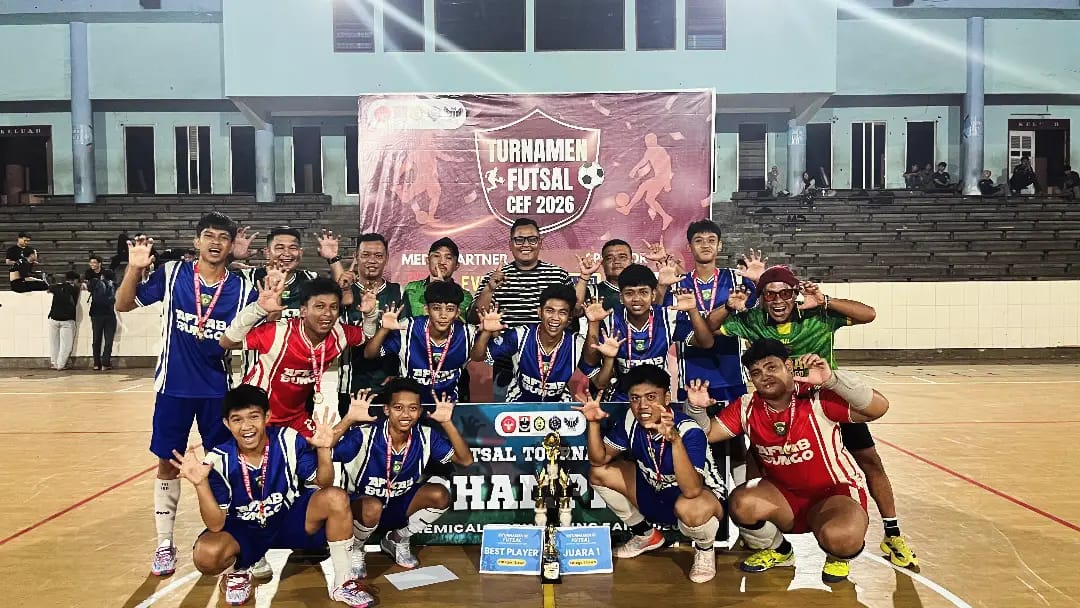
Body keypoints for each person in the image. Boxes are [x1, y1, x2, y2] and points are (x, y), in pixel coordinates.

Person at [705, 264, 918, 572]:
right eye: (770, 295)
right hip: (778, 408)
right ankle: (766, 538)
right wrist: (728, 307)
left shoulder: (818, 315)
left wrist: (825, 301)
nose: (778, 301)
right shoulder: (753, 320)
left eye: (785, 293)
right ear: (761, 298)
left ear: (795, 294)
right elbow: (708, 330)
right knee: (760, 460)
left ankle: (892, 532)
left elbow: (869, 314)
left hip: (825, 404)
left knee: (870, 462)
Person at [114, 212, 256, 577]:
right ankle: (164, 543)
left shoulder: (242, 288)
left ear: (231, 245)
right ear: (196, 241)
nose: (215, 242)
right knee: (167, 463)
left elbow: (264, 321)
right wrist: (134, 268)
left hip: (216, 391)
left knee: (223, 463)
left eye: (223, 237)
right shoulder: (173, 273)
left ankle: (227, 537)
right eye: (208, 235)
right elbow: (123, 304)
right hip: (173, 388)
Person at [690, 339, 890, 583]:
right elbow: (708, 433)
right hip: (784, 496)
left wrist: (832, 380)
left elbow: (879, 407)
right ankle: (780, 550)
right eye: (756, 373)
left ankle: (838, 557)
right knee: (741, 502)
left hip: (833, 494)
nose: (764, 376)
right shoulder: (747, 407)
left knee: (842, 537)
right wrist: (696, 410)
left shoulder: (816, 397)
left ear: (788, 366)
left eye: (771, 367)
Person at [171, 384, 373, 607]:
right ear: (227, 423)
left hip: (288, 519)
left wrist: (324, 450)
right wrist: (200, 485)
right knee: (206, 555)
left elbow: (323, 483)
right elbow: (216, 524)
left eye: (253, 416)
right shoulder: (217, 460)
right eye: (237, 419)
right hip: (245, 529)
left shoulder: (288, 439)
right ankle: (238, 571)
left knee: (335, 497)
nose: (246, 426)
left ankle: (343, 583)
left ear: (267, 416)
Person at [574, 364, 726, 583]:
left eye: (651, 397)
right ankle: (646, 535)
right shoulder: (630, 420)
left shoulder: (688, 430)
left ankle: (704, 549)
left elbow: (693, 490)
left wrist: (675, 441)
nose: (642, 406)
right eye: (635, 398)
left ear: (667, 398)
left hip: (699, 499)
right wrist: (594, 424)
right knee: (600, 473)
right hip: (656, 492)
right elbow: (599, 460)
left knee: (690, 506)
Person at [330, 378, 473, 578]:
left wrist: (447, 423)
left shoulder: (426, 435)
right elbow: (325, 449)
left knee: (440, 495)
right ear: (387, 410)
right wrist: (349, 419)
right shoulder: (364, 435)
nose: (406, 414)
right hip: (362, 508)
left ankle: (397, 538)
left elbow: (465, 460)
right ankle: (356, 548)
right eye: (398, 408)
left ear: (420, 411)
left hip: (398, 504)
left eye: (413, 408)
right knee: (372, 507)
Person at [220, 276, 375, 437]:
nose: (327, 313)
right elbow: (226, 342)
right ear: (303, 311)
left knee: (321, 446)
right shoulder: (278, 332)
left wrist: (370, 315)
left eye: (334, 307)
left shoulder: (340, 333)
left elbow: (366, 336)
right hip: (258, 413)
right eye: (320, 306)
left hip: (296, 417)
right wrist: (257, 309)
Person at [470, 218, 572, 401]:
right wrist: (490, 289)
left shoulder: (558, 275)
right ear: (510, 244)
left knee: (553, 416)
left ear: (540, 243)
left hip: (552, 362)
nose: (526, 245)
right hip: (505, 362)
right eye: (519, 240)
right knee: (508, 416)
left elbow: (573, 314)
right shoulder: (494, 278)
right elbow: (476, 317)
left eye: (532, 239)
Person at [582, 263, 716, 402]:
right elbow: (591, 363)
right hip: (621, 399)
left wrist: (693, 310)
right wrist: (594, 323)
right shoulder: (610, 320)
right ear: (621, 297)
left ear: (653, 295)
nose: (636, 299)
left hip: (657, 398)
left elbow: (707, 343)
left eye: (643, 292)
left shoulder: (667, 317)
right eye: (629, 293)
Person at [664, 220, 759, 405]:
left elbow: (759, 319)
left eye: (711, 240)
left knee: (736, 424)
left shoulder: (738, 280)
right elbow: (673, 327)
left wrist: (758, 282)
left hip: (732, 378)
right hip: (692, 381)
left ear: (719, 245)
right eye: (699, 240)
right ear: (689, 247)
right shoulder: (677, 285)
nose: (705, 245)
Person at [470, 284, 594, 402]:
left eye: (562, 313)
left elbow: (598, 379)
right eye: (549, 311)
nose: (555, 318)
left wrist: (594, 323)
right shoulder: (520, 335)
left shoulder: (576, 343)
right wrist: (486, 332)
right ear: (539, 312)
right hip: (518, 405)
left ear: (569, 318)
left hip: (558, 407)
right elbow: (477, 356)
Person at [365, 281, 475, 403]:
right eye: (436, 308)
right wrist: (384, 330)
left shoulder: (467, 332)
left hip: (447, 407)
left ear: (457, 312)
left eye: (450, 309)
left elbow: (480, 356)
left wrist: (485, 333)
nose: (443, 315)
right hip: (410, 407)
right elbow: (369, 354)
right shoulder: (407, 328)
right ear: (426, 309)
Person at [336, 233, 407, 415]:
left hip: (388, 384)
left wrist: (399, 375)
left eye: (378, 255)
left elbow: (404, 339)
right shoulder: (344, 293)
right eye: (366, 255)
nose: (372, 261)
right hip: (351, 384)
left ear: (386, 258)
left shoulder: (398, 292)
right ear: (356, 257)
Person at [402, 237, 473, 318]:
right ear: (428, 260)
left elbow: (460, 324)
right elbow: (403, 322)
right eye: (436, 256)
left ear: (457, 265)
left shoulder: (464, 297)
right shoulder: (411, 289)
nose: (442, 262)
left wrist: (443, 290)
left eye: (448, 258)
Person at [575, 239, 634, 311]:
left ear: (632, 260)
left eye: (622, 257)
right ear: (602, 263)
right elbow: (575, 310)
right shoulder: (592, 292)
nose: (616, 261)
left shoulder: (644, 289)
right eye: (609, 258)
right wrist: (585, 276)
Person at [47, 270, 81, 371]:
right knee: (66, 344)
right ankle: (61, 365)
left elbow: (49, 289)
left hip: (53, 317)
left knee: (54, 343)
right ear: (75, 280)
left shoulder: (56, 287)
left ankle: (54, 363)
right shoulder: (75, 289)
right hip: (67, 319)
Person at [88, 268, 118, 371]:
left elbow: (88, 288)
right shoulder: (114, 285)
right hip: (109, 314)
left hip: (96, 314)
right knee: (109, 340)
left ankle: (96, 364)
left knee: (96, 339)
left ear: (102, 276)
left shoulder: (95, 282)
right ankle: (106, 363)